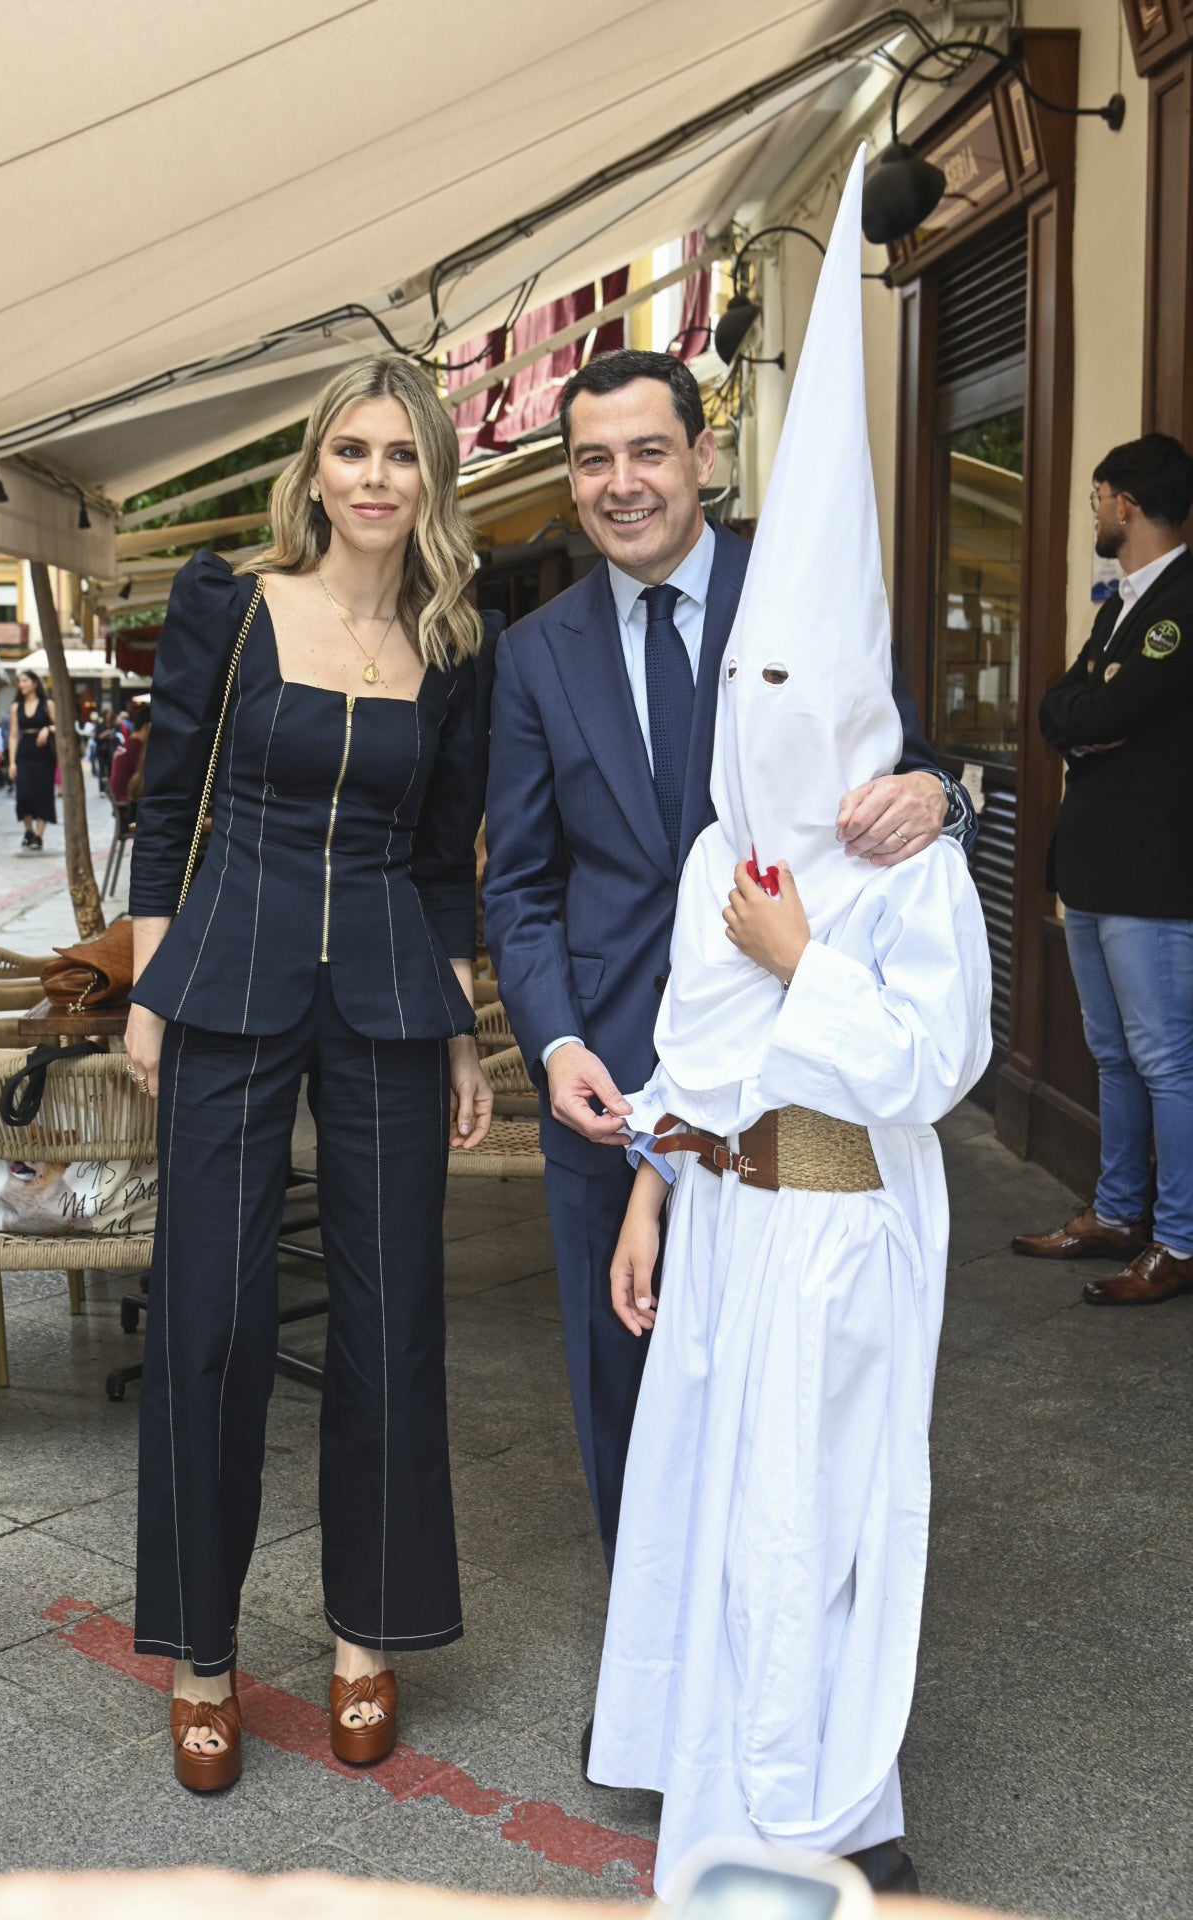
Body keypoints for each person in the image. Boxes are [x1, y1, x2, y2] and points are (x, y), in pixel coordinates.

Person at [587, 149, 992, 1895]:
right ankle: (717, 1782)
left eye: (789, 695)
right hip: (736, 1223)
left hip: (846, 1226)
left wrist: (806, 945)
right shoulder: (713, 862)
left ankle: (822, 1797)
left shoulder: (905, 856)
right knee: (714, 1506)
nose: (759, 720)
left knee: (823, 1520)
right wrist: (648, 1191)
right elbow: (690, 1049)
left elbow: (926, 1065)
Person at [482, 349, 975, 1589]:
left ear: (704, 457)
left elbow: (912, 768)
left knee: (787, 1398)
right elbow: (521, 881)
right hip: (611, 1081)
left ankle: (777, 1653)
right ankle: (657, 1669)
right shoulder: (536, 652)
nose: (622, 483)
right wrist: (555, 1044)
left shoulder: (796, 596)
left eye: (649, 451)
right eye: (593, 459)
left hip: (790, 1086)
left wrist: (942, 796)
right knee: (622, 1381)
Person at [124, 354, 498, 1794]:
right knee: (209, 1316)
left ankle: (367, 1638)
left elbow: (440, 853)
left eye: (400, 456)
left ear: (431, 477)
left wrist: (462, 1028)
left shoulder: (457, 638)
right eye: (349, 451)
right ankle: (202, 1659)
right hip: (225, 967)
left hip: (393, 989)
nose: (372, 479)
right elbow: (165, 809)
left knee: (392, 1317)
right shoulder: (227, 601)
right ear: (313, 467)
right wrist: (152, 994)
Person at [1015, 432, 1193, 1303]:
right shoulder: (1120, 605)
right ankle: (1118, 1214)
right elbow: (1061, 706)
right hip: (1093, 866)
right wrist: (1085, 712)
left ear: (1123, 502)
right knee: (1111, 1053)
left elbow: (1118, 702)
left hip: (1150, 872)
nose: (1094, 512)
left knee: (1163, 1059)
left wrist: (1089, 710)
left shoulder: (1179, 604)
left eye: (1096, 497)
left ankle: (1180, 1240)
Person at [9, 668, 57, 851]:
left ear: (34, 683)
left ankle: (39, 835)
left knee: (43, 793)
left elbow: (60, 725)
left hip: (44, 754)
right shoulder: (16, 707)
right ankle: (28, 830)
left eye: (24, 681)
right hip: (24, 752)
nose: (21, 685)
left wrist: (48, 729)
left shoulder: (47, 704)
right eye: (20, 681)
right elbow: (13, 735)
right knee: (24, 794)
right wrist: (12, 762)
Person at [109, 704, 150, 815]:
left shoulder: (126, 745)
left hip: (122, 805)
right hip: (129, 809)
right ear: (146, 727)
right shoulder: (137, 749)